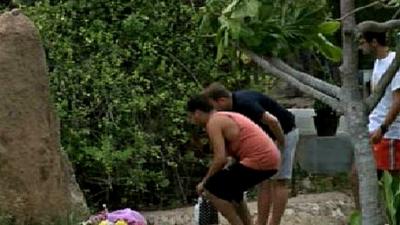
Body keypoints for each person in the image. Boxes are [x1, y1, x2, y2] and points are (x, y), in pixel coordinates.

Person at [202, 83, 299, 225]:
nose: (214, 112)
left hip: (284, 132)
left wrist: (280, 143)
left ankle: (274, 222)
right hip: (267, 139)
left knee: (279, 181)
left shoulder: (244, 103)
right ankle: (261, 222)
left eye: (214, 107)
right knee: (264, 182)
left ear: (221, 100)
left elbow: (273, 120)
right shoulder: (231, 110)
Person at [186, 94, 280, 225]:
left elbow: (220, 159)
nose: (192, 121)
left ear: (197, 113)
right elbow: (231, 156)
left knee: (211, 189)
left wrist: (204, 182)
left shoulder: (214, 122)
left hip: (260, 159)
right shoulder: (225, 116)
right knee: (234, 194)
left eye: (190, 117)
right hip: (270, 159)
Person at [353, 31, 400, 208]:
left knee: (393, 183)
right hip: (373, 128)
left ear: (373, 42)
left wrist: (383, 128)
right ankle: (366, 216)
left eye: (362, 42)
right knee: (357, 174)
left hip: (389, 133)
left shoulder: (393, 63)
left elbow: (398, 100)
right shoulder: (378, 63)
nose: (360, 47)